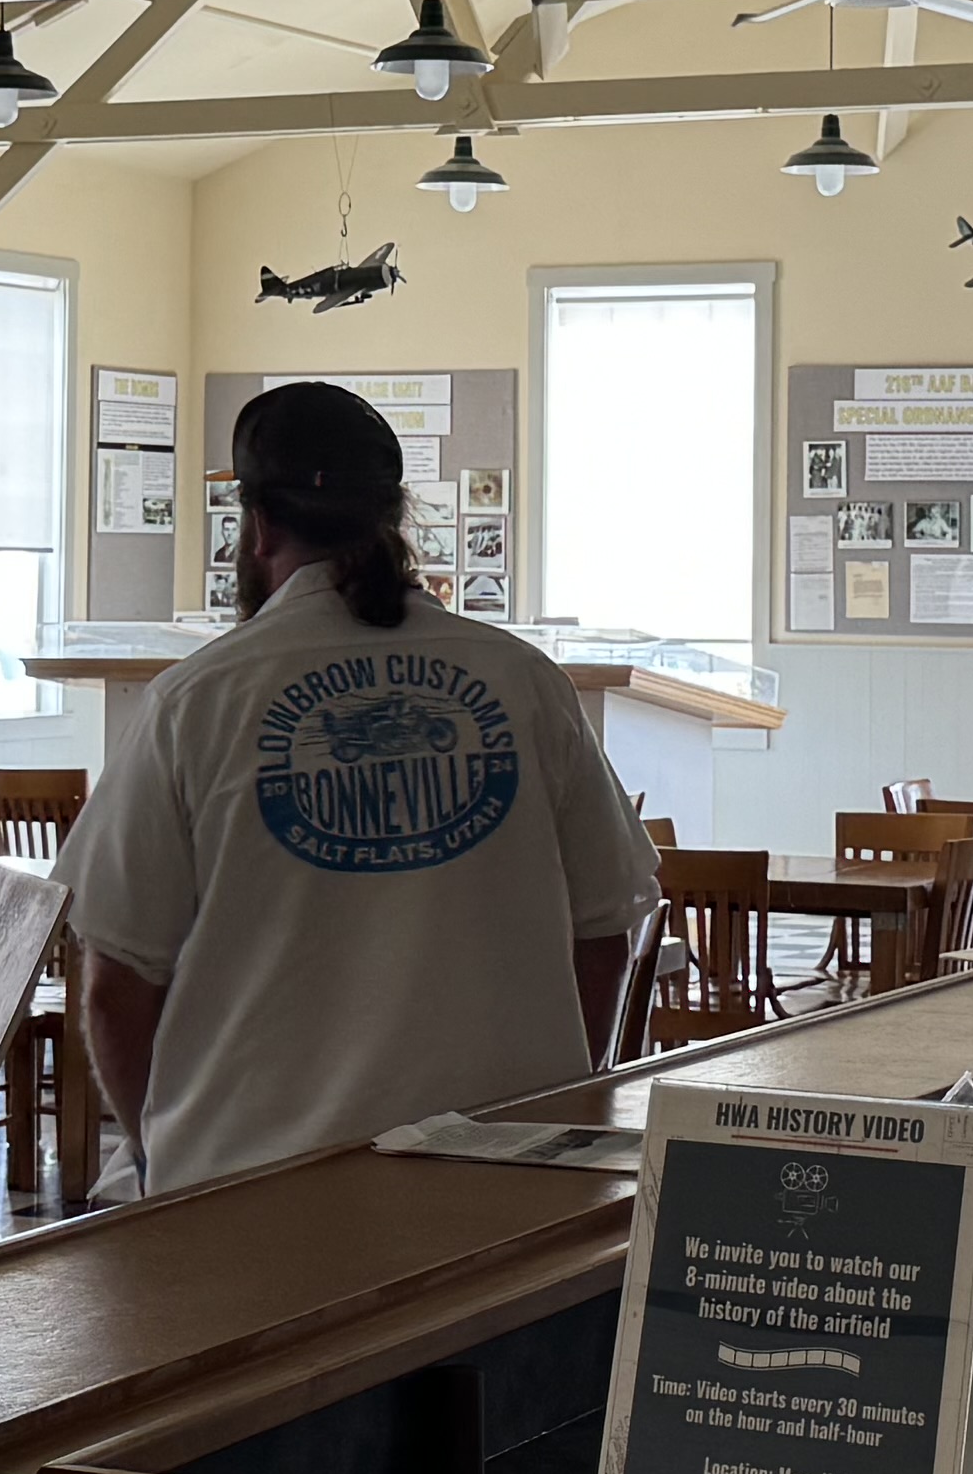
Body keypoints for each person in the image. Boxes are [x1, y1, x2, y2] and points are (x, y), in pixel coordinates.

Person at [57, 379, 659, 1195]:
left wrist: (159, 1161)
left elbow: (114, 984)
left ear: (258, 526)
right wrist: (541, 1111)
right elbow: (605, 931)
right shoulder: (524, 681)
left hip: (253, 1195)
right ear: (394, 517)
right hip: (497, 1183)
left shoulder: (194, 702)